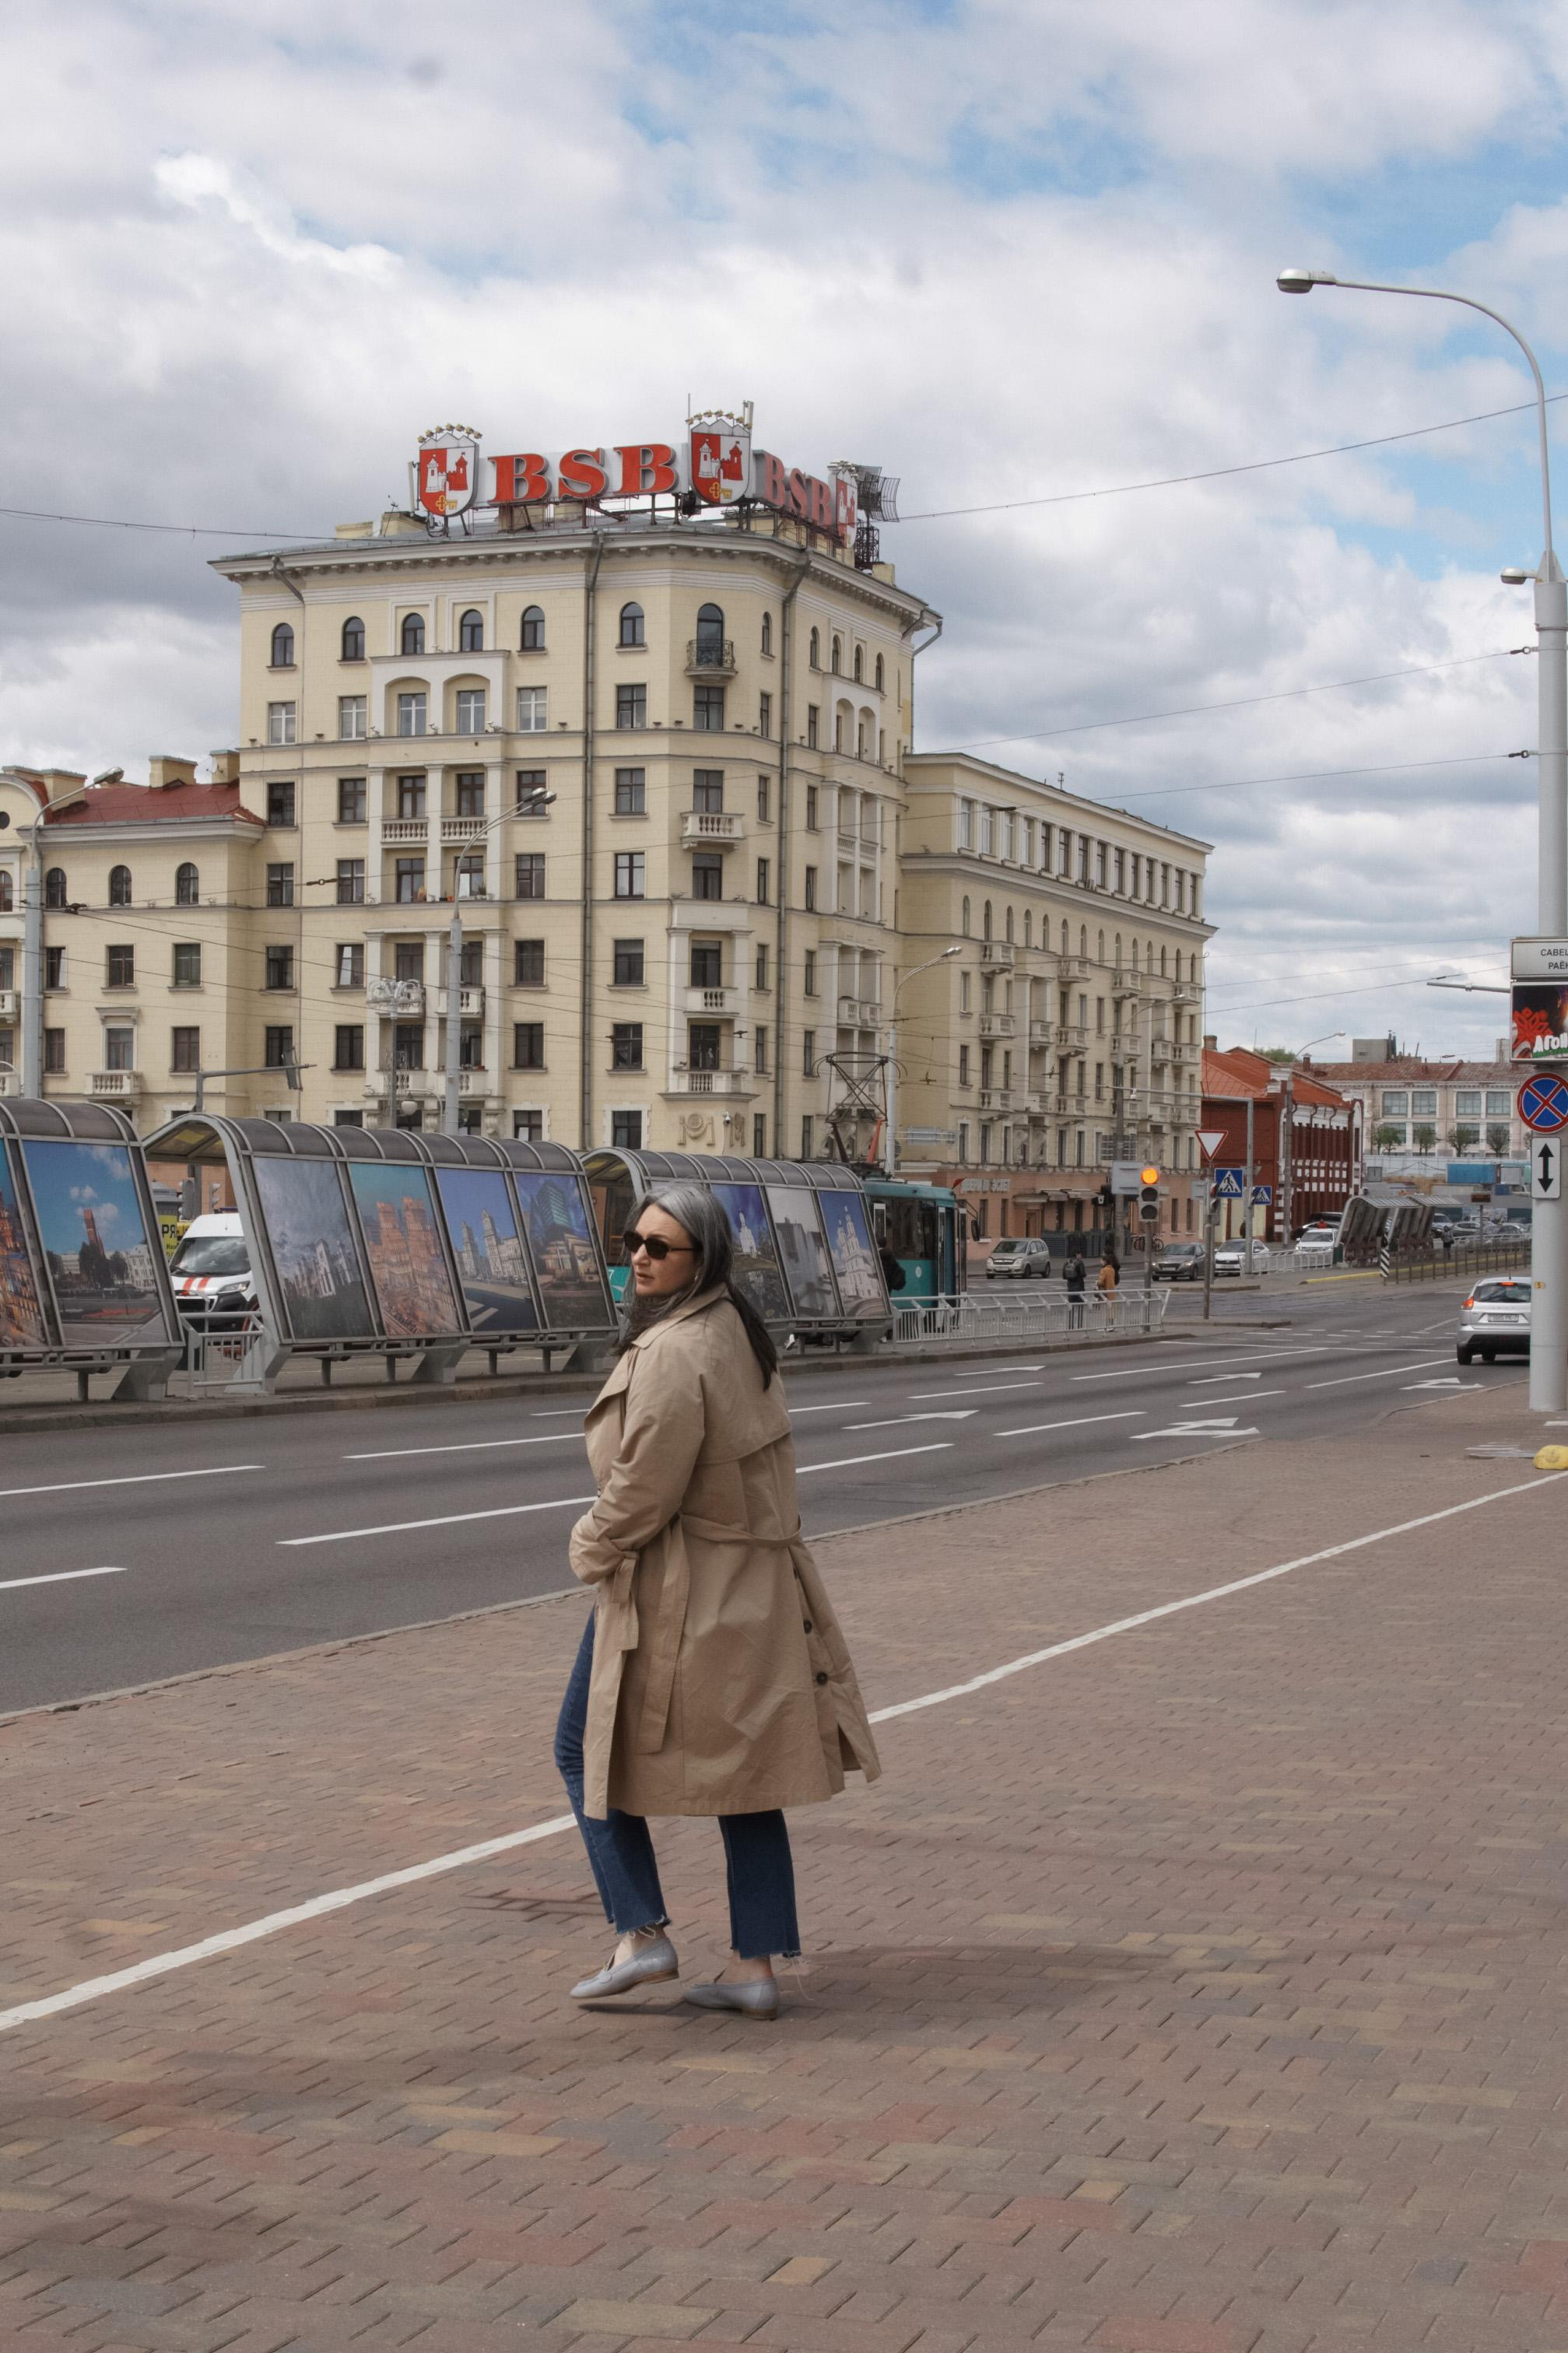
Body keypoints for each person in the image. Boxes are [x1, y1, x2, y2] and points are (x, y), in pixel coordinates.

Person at [555, 1183, 882, 2021]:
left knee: (580, 1749)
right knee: (750, 1778)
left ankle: (640, 1933)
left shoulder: (672, 1352)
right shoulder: (736, 1328)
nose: (638, 1257)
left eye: (659, 1249)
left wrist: (589, 1548)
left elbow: (642, 1489)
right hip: (750, 1590)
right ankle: (753, 1966)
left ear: (701, 1260)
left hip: (677, 1592)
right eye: (633, 1241)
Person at [1062, 1246, 1087, 1330]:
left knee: (1071, 1308)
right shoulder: (1080, 1263)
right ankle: (1080, 1326)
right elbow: (1084, 1274)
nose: (1081, 1256)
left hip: (1070, 1290)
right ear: (1076, 1254)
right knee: (1080, 1308)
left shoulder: (1066, 1263)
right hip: (1079, 1288)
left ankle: (1071, 1326)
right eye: (1080, 1254)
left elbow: (1064, 1276)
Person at [1097, 1250, 1120, 1327]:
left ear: (1105, 1261)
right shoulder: (1112, 1270)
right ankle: (1111, 1325)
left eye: (1101, 1260)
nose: (1100, 1261)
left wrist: (1097, 1283)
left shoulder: (1104, 1270)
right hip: (1111, 1292)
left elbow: (1101, 1282)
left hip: (1105, 1292)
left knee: (1104, 1310)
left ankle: (1105, 1327)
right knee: (1111, 1310)